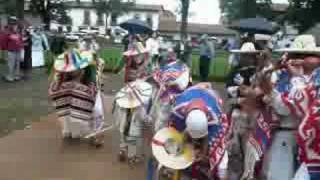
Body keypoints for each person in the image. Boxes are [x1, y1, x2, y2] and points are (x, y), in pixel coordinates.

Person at [255, 35, 320, 180]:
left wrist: (271, 95)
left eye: (304, 55)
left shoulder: (312, 80)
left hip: (299, 137)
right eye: (295, 55)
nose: (296, 59)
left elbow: (285, 108)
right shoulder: (285, 76)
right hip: (284, 133)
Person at [167, 83, 230, 179]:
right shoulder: (177, 112)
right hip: (190, 99)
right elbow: (179, 135)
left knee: (219, 151)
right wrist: (183, 149)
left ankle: (220, 174)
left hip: (210, 102)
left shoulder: (215, 116)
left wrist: (203, 154)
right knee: (174, 146)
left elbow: (207, 137)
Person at [48, 37, 104, 146]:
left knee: (96, 110)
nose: (71, 70)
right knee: (67, 111)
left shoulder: (89, 67)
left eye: (74, 69)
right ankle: (68, 129)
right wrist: (66, 88)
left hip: (87, 88)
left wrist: (81, 89)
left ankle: (95, 132)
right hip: (71, 91)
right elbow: (55, 86)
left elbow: (92, 86)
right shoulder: (62, 68)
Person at [225, 42, 263, 179]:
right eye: (243, 55)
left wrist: (245, 91)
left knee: (249, 149)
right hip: (237, 114)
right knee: (234, 150)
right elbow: (229, 92)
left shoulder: (259, 72)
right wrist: (243, 93)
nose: (245, 58)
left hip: (253, 116)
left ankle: (249, 175)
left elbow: (260, 94)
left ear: (253, 56)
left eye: (248, 55)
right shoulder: (235, 71)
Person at [3, 16, 23, 82]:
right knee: (11, 64)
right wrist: (5, 49)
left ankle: (17, 76)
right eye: (12, 21)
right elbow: (4, 41)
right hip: (11, 50)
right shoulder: (7, 31)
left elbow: (20, 41)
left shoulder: (18, 31)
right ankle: (10, 76)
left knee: (17, 64)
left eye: (15, 21)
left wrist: (21, 48)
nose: (14, 23)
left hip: (18, 50)